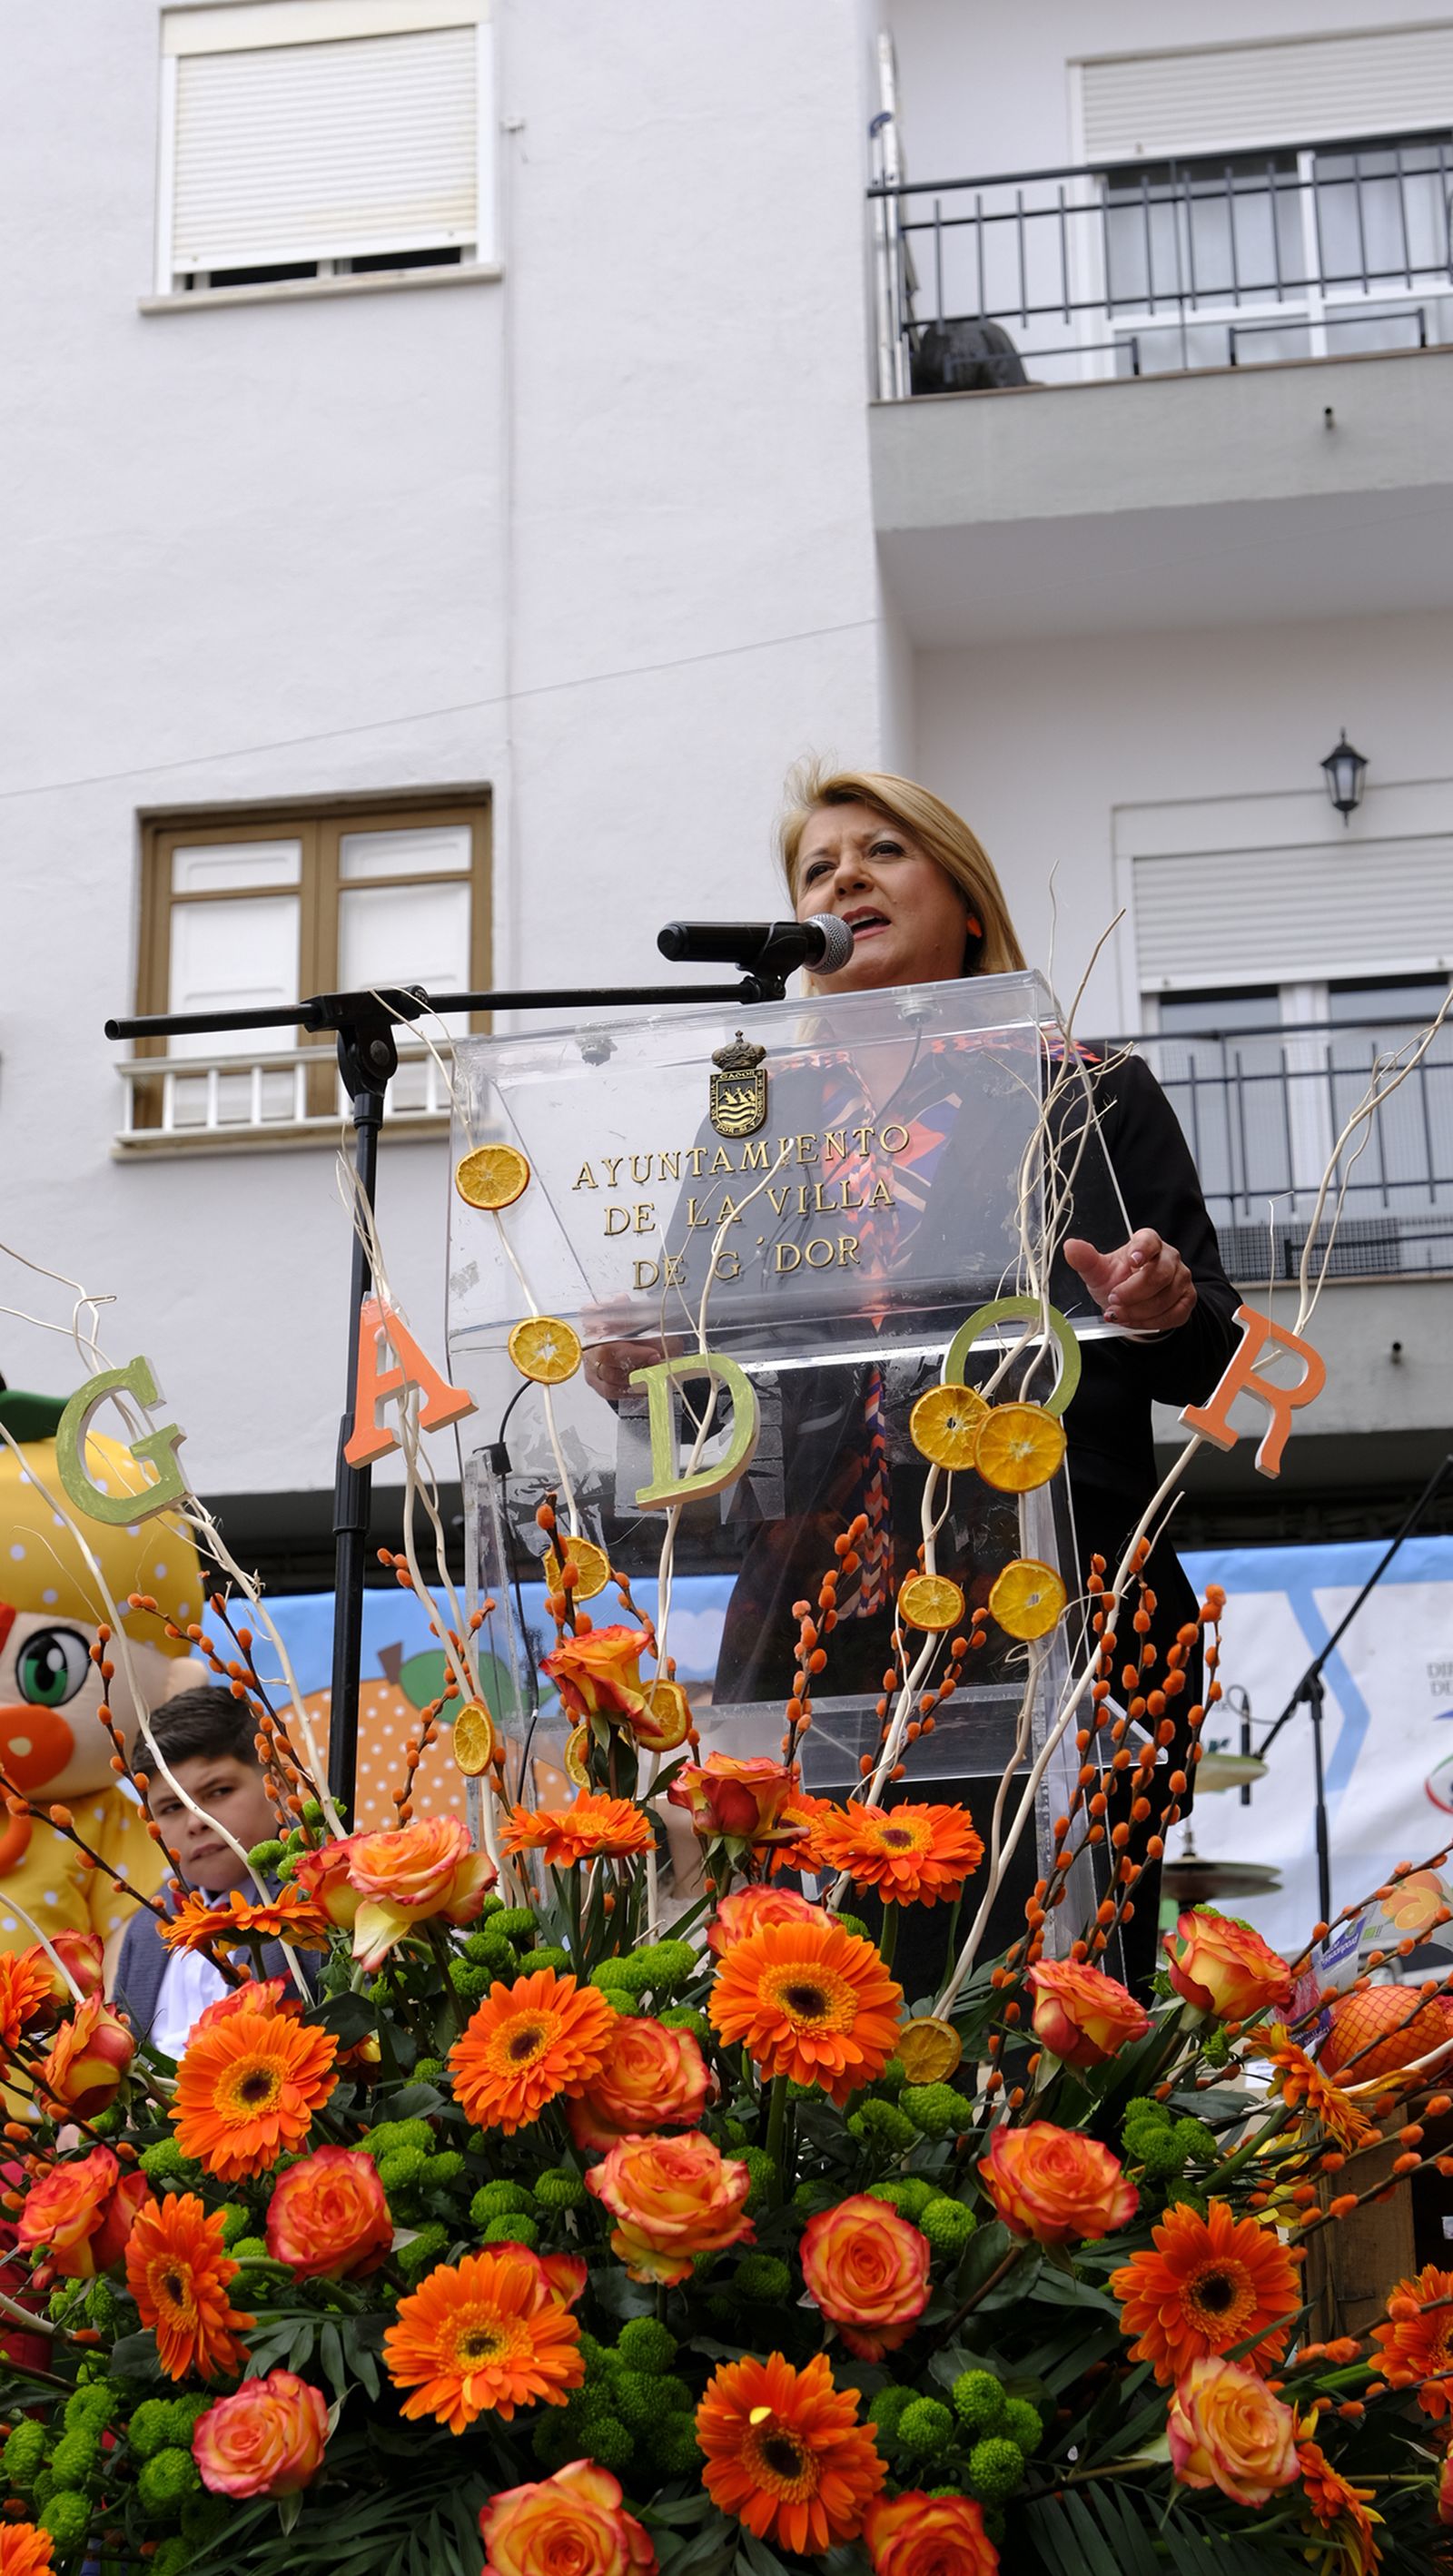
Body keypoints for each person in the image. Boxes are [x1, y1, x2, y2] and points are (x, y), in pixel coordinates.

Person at [593, 765, 1240, 1989]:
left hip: (1054, 1605)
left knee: (1048, 2003)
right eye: (815, 869)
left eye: (881, 852)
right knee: (811, 2006)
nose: (842, 878)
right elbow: (703, 1402)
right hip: (809, 1631)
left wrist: (1155, 1305)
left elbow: (1212, 1339)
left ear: (968, 904)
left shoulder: (1082, 1091)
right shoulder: (753, 1124)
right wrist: (641, 1381)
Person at [111, 1687, 292, 2053]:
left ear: (279, 1786)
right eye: (171, 1808)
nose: (196, 1821)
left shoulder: (319, 1899)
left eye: (219, 1791)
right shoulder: (148, 1927)